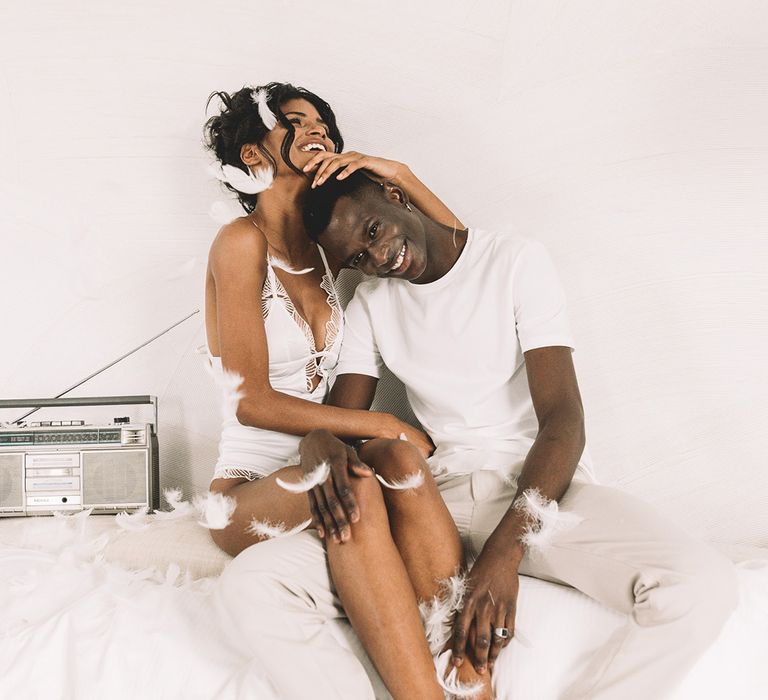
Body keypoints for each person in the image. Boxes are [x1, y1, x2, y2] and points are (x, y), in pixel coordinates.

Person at [294, 171, 741, 699]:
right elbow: (343, 422)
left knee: (701, 585)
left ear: (395, 196)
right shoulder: (372, 303)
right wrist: (313, 440)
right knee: (268, 584)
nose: (378, 258)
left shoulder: (513, 261)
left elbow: (563, 421)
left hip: (539, 494)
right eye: (358, 258)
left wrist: (503, 556)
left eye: (373, 231)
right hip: (436, 501)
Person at [203, 82, 488, 699]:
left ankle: (467, 676)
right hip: (249, 489)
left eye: (323, 125)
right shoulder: (240, 243)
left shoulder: (337, 252)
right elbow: (250, 399)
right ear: (254, 154)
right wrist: (385, 424)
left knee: (398, 463)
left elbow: (457, 253)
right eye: (294, 123)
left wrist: (400, 173)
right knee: (366, 468)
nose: (318, 132)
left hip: (327, 456)